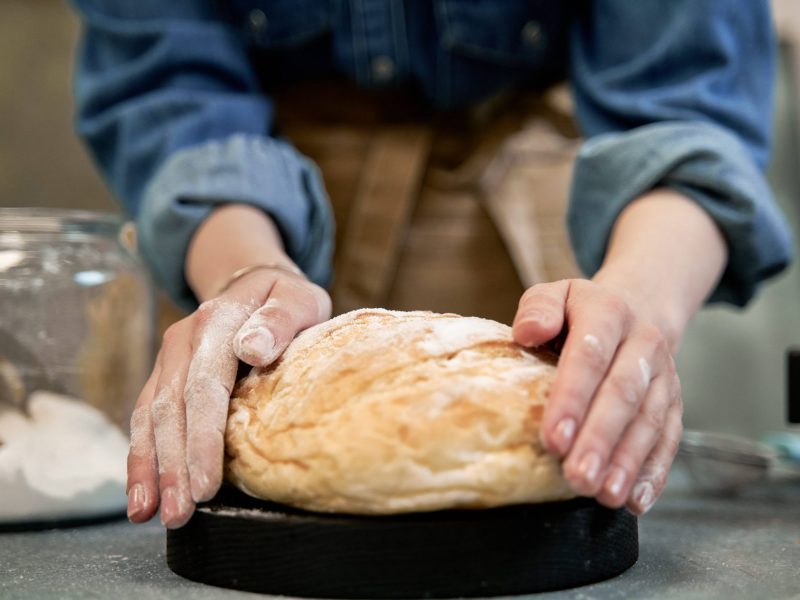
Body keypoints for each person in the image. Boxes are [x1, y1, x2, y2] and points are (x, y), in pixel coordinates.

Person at [72, 0, 792, 529]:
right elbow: (168, 87)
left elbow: (684, 102)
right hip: (249, 223)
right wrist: (244, 276)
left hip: (537, 223)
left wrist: (637, 304)